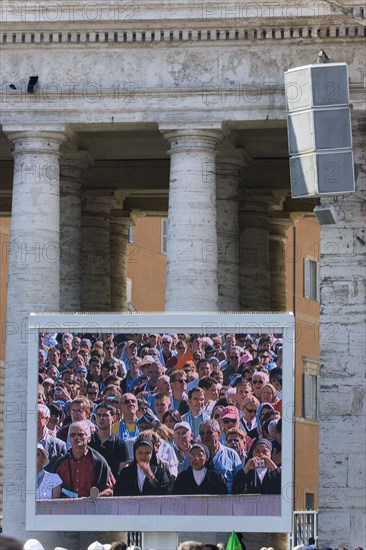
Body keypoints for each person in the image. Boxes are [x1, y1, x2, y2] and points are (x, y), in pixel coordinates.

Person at [51, 420, 112, 497]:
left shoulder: (99, 461)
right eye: (72, 435)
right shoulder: (61, 463)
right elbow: (52, 489)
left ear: (89, 438)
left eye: (80, 435)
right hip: (67, 507)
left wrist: (95, 497)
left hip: (93, 506)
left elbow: (109, 490)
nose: (76, 438)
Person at [198, 419, 242, 493]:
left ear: (219, 434)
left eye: (209, 433)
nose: (205, 436)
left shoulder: (231, 454)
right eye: (202, 433)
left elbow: (240, 481)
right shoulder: (193, 456)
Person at [89, 402, 130, 478]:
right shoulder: (88, 441)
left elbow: (123, 472)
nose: (101, 418)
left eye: (105, 415)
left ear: (114, 418)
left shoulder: (120, 444)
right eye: (99, 415)